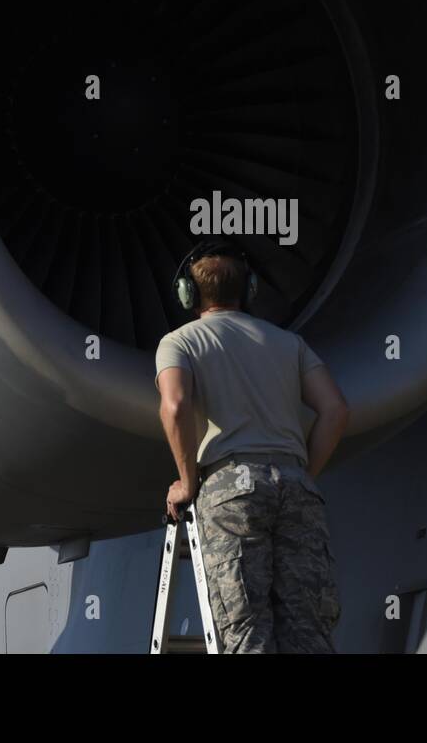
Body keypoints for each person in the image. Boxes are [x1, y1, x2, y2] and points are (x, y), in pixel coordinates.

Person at [155, 238, 350, 653]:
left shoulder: (180, 342)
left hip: (231, 489)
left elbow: (174, 406)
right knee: (309, 629)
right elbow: (334, 410)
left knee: (246, 631)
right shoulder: (289, 343)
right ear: (249, 290)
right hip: (295, 485)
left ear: (187, 293)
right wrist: (302, 474)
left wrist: (187, 482)